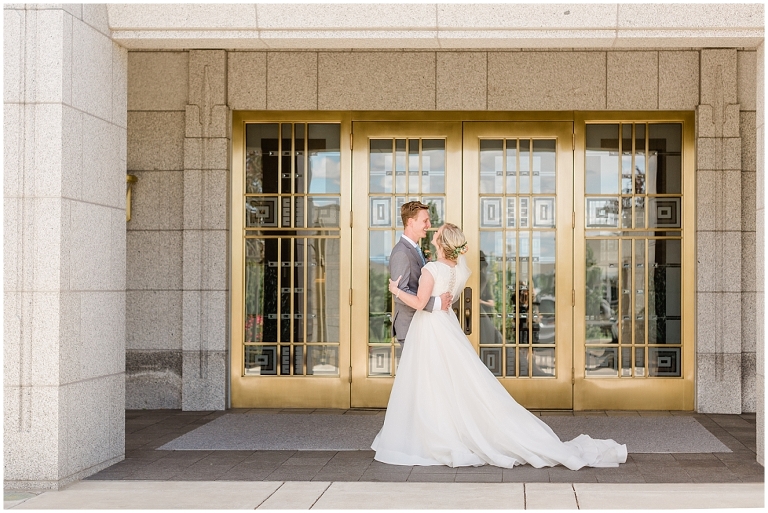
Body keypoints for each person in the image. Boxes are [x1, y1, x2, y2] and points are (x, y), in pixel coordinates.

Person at [372, 223, 627, 470]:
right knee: (451, 381)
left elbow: (418, 303)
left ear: (440, 243)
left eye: (436, 233)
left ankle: (434, 434)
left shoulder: (431, 270)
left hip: (431, 329)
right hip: (447, 327)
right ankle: (445, 429)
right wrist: (438, 301)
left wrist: (396, 289)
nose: (433, 233)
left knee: (431, 381)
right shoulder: (459, 271)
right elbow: (442, 299)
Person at [390, 201, 452, 345]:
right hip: (409, 327)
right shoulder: (401, 253)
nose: (429, 225)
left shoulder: (415, 249)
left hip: (420, 326)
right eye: (425, 220)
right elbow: (400, 293)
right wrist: (437, 303)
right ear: (411, 222)